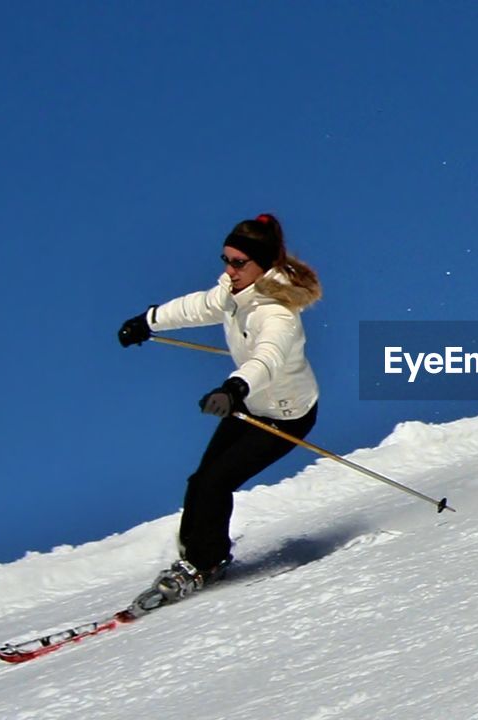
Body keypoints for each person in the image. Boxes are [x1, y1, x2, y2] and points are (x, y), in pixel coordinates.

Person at [117, 213, 322, 606]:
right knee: (201, 481)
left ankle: (204, 563)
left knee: (215, 482)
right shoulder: (232, 293)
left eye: (238, 263)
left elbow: (267, 360)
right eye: (225, 260)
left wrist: (234, 388)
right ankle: (196, 557)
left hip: (286, 414)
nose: (229, 270)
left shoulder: (278, 314)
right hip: (249, 402)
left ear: (263, 265)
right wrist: (148, 321)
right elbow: (195, 308)